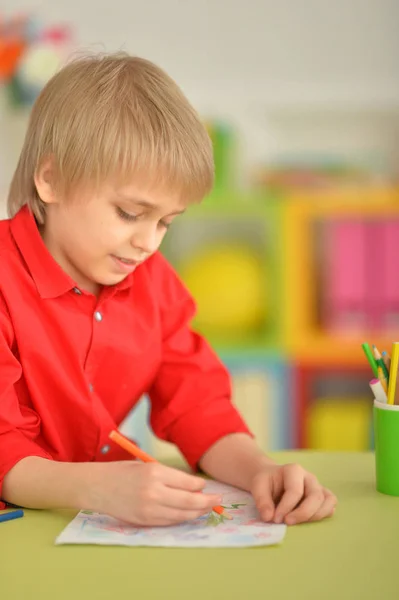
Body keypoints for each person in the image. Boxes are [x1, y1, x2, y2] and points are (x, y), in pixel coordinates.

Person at [0, 53, 336, 526]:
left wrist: (261, 470)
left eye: (166, 222)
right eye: (130, 214)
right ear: (51, 179)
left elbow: (197, 406)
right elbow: (2, 446)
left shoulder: (152, 281)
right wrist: (98, 486)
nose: (147, 242)